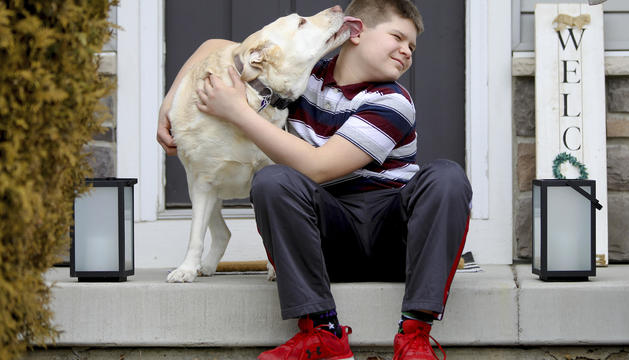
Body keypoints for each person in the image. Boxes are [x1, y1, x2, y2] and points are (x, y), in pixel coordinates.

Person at [157, 1, 472, 359]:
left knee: (447, 176)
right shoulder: (302, 78)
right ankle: (323, 332)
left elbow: (320, 167)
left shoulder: (392, 102)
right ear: (355, 30)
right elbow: (214, 46)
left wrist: (239, 113)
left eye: (412, 47)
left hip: (396, 241)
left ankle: (415, 336)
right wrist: (169, 104)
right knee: (273, 181)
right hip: (327, 242)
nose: (406, 52)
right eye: (398, 37)